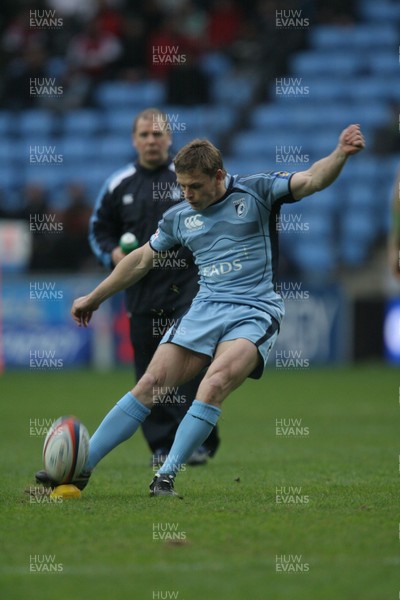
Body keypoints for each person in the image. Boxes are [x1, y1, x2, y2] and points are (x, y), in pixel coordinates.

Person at [36, 124, 365, 497]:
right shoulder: (179, 217)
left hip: (254, 311)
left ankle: (166, 476)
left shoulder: (257, 191)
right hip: (204, 309)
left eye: (195, 186)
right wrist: (94, 297)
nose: (188, 194)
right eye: (182, 186)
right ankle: (81, 467)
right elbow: (141, 260)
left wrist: (338, 153)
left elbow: (311, 181)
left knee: (214, 383)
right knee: (149, 385)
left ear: (219, 176)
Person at [87, 107, 220, 466]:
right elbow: (97, 231)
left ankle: (195, 442)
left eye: (157, 134)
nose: (151, 140)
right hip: (141, 289)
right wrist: (113, 253)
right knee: (150, 370)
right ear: (134, 140)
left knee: (190, 359)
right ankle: (162, 446)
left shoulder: (187, 178)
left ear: (169, 138)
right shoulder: (118, 185)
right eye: (144, 134)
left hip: (189, 285)